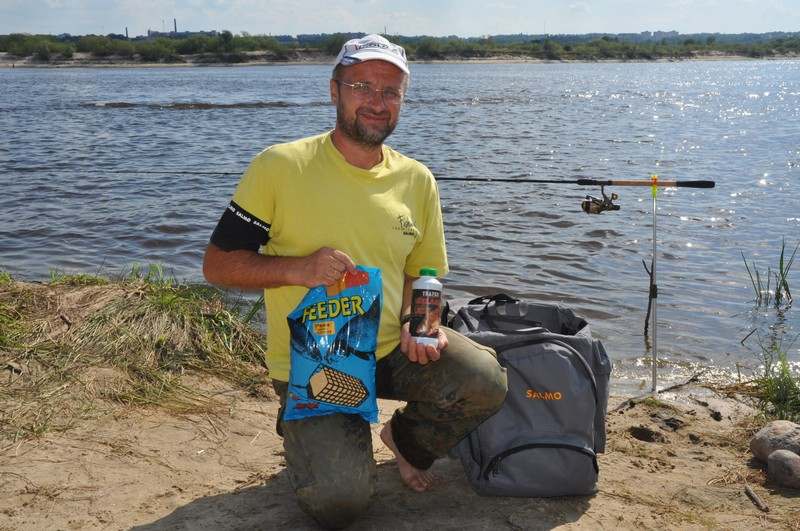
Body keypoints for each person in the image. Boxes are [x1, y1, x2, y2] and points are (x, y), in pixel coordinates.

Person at [202, 34, 507, 529]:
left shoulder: (417, 179)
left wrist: (421, 324)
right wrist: (296, 268)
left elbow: (425, 271)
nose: (376, 101)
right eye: (362, 86)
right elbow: (217, 265)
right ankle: (303, 422)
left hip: (391, 350)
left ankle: (403, 441)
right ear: (334, 90)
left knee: (484, 380)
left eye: (390, 91)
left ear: (402, 101)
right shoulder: (279, 166)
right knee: (340, 505)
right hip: (314, 360)